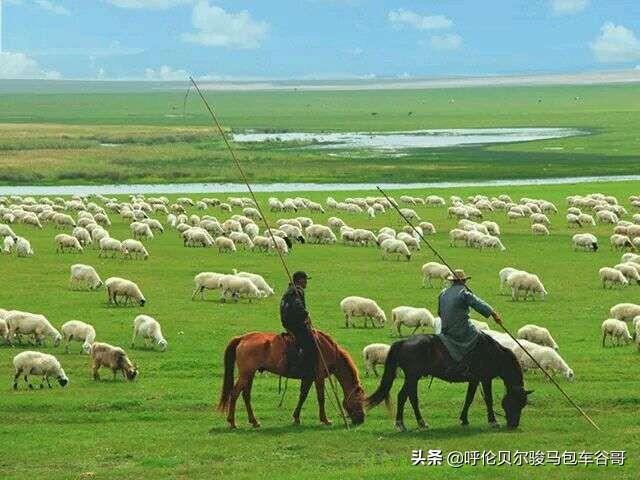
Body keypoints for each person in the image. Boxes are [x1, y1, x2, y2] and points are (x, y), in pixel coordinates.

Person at [437, 269, 503, 379]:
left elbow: (439, 313)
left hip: (445, 329)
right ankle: (471, 365)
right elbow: (478, 303)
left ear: (452, 281)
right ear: (463, 281)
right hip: (460, 329)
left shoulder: (443, 293)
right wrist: (493, 314)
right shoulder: (464, 293)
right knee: (479, 337)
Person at [280, 271, 317, 379]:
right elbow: (297, 307)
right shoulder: (297, 291)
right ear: (300, 280)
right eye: (305, 280)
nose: (306, 282)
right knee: (310, 343)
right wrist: (306, 315)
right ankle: (301, 368)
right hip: (294, 323)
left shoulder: (291, 289)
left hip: (287, 321)